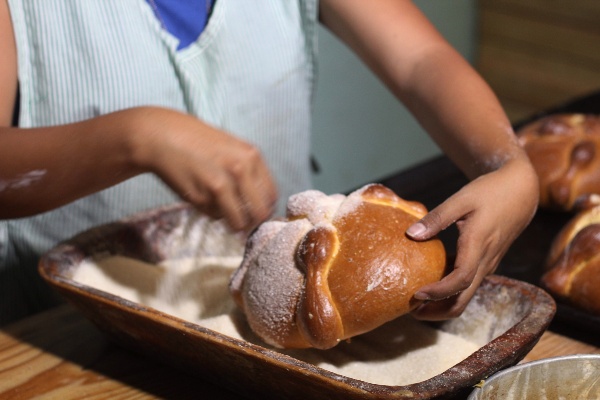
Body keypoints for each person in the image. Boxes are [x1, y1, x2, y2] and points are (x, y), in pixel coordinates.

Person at [0, 0, 538, 326]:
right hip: (66, 334)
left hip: (290, 308)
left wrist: (508, 165)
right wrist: (132, 138)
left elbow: (421, 62)